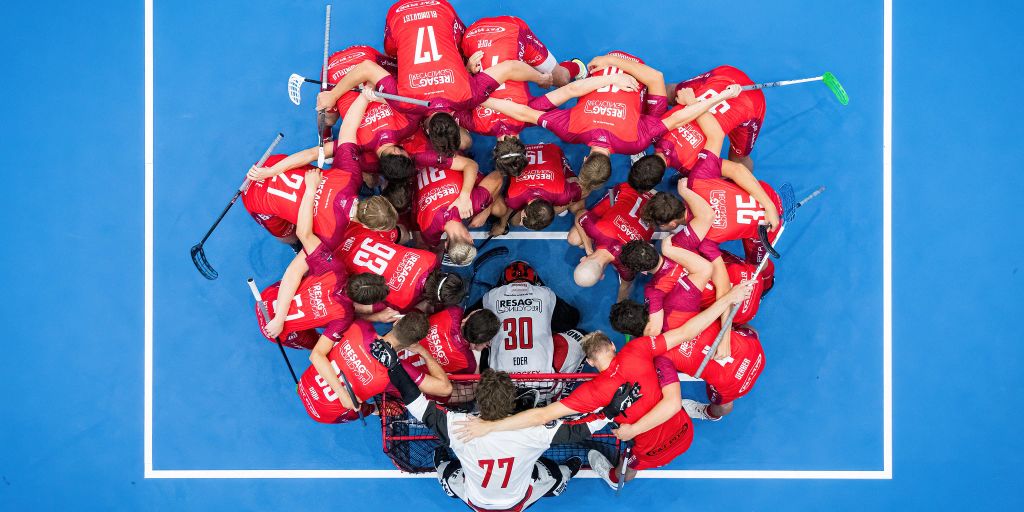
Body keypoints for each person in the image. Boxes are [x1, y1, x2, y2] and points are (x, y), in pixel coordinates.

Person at [451, 281, 755, 487]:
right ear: (612, 345)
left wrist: (490, 427)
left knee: (626, 470)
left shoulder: (592, 392)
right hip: (684, 431)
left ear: (591, 363)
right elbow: (688, 331)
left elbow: (541, 416)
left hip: (649, 448)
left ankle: (613, 478)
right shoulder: (638, 350)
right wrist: (729, 298)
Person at [371, 338, 636, 511]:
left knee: (445, 467)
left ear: (479, 400)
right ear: (512, 402)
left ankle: (444, 474)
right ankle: (562, 478)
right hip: (517, 500)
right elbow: (577, 430)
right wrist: (611, 412)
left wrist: (394, 366)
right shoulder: (533, 432)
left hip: (475, 499)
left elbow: (415, 402)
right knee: (556, 476)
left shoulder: (457, 426)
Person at [316, 0, 554, 157]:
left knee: (396, 55)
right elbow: (367, 67)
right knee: (394, 61)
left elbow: (510, 67)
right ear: (427, 129)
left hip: (435, 7)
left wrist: (540, 79)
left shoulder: (467, 96)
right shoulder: (406, 103)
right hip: (404, 10)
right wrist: (333, 95)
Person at [481, 52, 740, 181]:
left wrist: (717, 98)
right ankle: (579, 68)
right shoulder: (571, 131)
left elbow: (680, 118)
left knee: (660, 119)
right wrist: (483, 98)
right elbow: (526, 111)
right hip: (607, 65)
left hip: (632, 69)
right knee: (657, 117)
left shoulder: (634, 144)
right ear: (585, 157)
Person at [243, 91, 399, 249]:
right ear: (367, 227)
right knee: (289, 237)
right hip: (254, 195)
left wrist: (365, 96)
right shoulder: (332, 232)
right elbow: (303, 236)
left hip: (269, 164)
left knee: (313, 171)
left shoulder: (351, 175)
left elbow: (346, 129)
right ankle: (294, 246)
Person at [298, 312, 452, 423]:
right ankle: (373, 409)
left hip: (303, 384)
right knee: (364, 406)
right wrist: (423, 352)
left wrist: (378, 316)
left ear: (396, 322)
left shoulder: (360, 326)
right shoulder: (397, 370)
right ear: (413, 344)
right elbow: (444, 389)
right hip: (323, 415)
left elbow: (315, 355)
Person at [458, 15, 584, 140]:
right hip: (473, 33)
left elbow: (569, 90)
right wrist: (467, 70)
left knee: (561, 79)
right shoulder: (477, 126)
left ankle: (577, 66)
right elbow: (448, 99)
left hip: (511, 30)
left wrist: (540, 78)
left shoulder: (527, 116)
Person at [567, 163, 662, 300]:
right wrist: (588, 250)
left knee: (575, 240)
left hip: (655, 202)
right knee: (575, 238)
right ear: (582, 261)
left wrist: (588, 248)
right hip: (641, 193)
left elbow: (626, 287)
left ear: (602, 276)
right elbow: (580, 214)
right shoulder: (598, 231)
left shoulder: (627, 264)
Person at [472, 261, 583, 375]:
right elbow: (572, 319)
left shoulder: (491, 296)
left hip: (501, 384)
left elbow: (470, 323)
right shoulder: (544, 293)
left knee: (486, 343)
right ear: (535, 279)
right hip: (541, 378)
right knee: (580, 335)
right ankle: (560, 387)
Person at [336, 224, 467, 313]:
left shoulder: (429, 259)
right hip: (336, 262)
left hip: (354, 231)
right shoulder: (406, 303)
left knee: (403, 233)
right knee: (370, 301)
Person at [666, 65, 766, 171]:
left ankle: (737, 186)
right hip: (731, 80)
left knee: (739, 158)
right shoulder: (653, 129)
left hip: (746, 99)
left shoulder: (695, 169)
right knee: (739, 159)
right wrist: (690, 101)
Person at [414, 161, 503, 263]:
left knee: (500, 210)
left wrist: (485, 211)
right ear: (446, 245)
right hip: (420, 165)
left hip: (445, 157)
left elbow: (498, 175)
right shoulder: (428, 230)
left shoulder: (472, 204)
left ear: (470, 238)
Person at [487, 143, 585, 236]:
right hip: (536, 150)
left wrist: (569, 200)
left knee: (577, 205)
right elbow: (510, 208)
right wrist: (501, 225)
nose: (522, 223)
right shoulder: (514, 197)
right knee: (515, 222)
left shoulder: (563, 194)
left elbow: (585, 188)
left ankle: (563, 174)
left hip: (543, 150)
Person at [404, 306, 501, 375]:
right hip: (407, 375)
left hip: (397, 341)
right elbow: (467, 383)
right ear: (478, 342)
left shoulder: (454, 311)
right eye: (488, 341)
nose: (488, 345)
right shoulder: (468, 363)